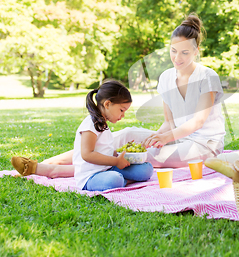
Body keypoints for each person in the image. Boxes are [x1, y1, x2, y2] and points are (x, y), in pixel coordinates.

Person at [11, 14, 225, 175]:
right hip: (176, 138)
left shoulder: (207, 76)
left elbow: (198, 121)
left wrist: (163, 139)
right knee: (125, 134)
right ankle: (45, 162)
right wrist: (156, 137)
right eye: (173, 50)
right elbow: (169, 123)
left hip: (204, 145)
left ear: (196, 50)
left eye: (185, 52)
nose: (177, 57)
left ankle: (50, 171)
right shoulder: (166, 78)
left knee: (137, 156)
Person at [12, 80, 154, 191]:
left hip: (106, 168)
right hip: (91, 176)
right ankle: (119, 180)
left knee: (146, 169)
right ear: (108, 104)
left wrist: (127, 153)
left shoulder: (103, 124)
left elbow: (105, 150)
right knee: (114, 179)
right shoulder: (90, 125)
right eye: (122, 110)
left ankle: (120, 179)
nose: (123, 115)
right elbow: (87, 155)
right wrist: (116, 162)